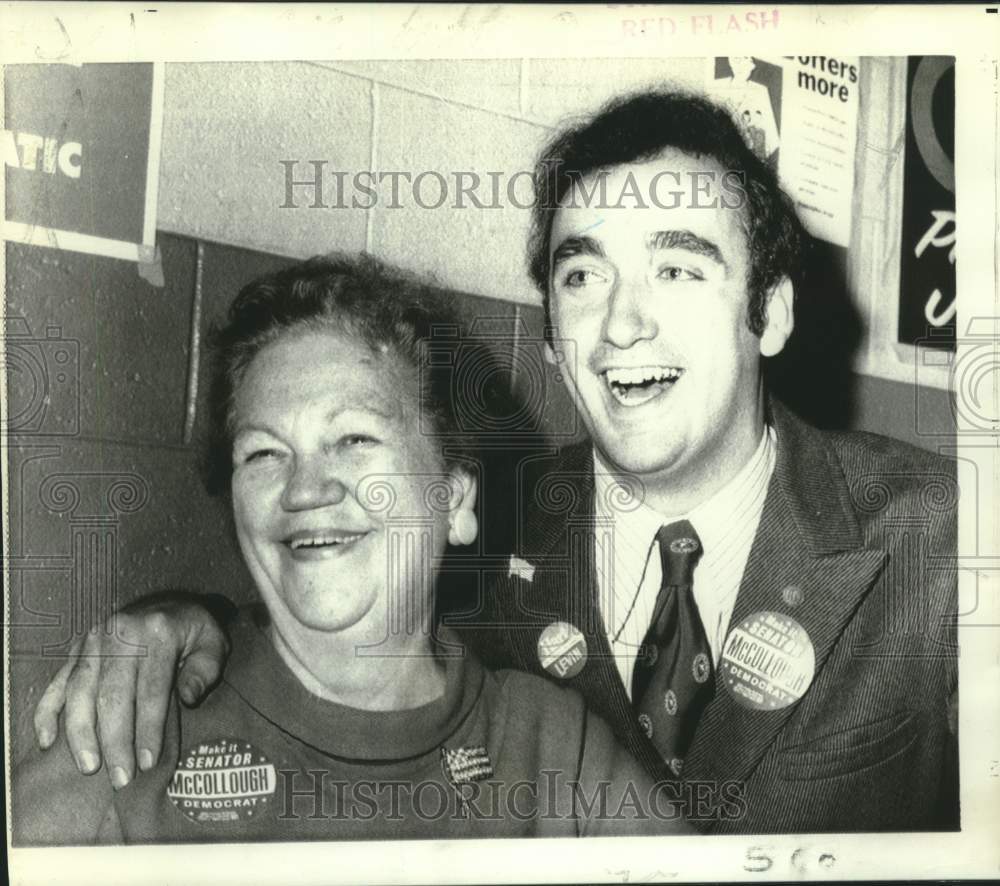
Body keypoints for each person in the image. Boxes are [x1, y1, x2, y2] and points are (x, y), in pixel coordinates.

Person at [31, 90, 959, 833]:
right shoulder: (480, 521)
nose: (623, 323)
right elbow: (331, 600)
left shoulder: (946, 539)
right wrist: (181, 620)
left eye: (678, 268)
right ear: (552, 340)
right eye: (582, 276)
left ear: (773, 312)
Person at [12, 255, 692, 844]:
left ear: (454, 499)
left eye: (355, 439)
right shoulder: (130, 726)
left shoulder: (554, 749)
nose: (305, 489)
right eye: (264, 453)